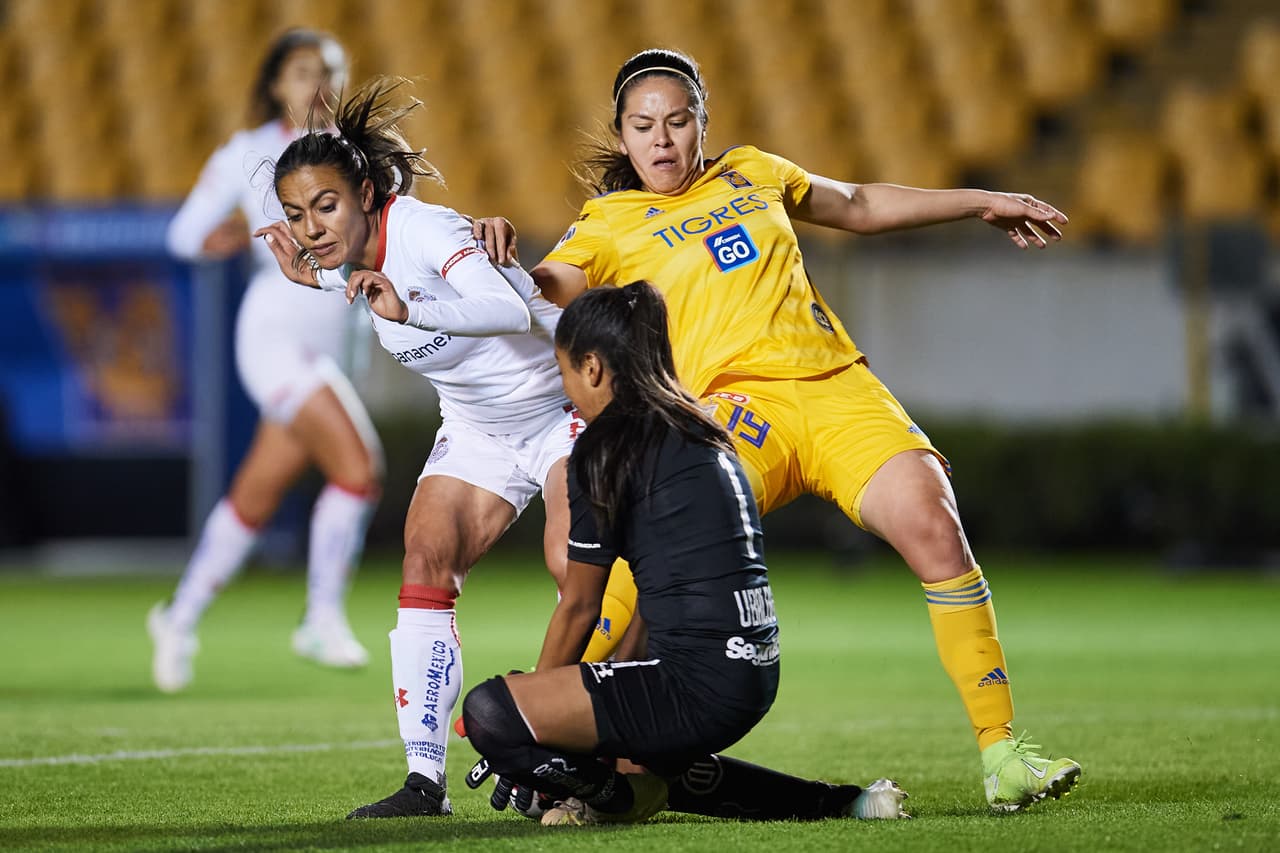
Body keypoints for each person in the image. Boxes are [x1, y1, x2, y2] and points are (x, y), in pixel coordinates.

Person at [509, 47, 1082, 813]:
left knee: (936, 526)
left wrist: (979, 199)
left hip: (839, 390)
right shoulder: (608, 222)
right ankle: (557, 750)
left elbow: (860, 204)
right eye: (644, 126)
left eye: (677, 121)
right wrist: (483, 259)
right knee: (637, 573)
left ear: (702, 122)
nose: (663, 139)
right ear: (621, 136)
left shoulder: (754, 170)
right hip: (735, 414)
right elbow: (546, 286)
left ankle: (1003, 754)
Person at [460, 280, 909, 826]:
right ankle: (840, 803)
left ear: (594, 368)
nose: (565, 386)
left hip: (694, 686)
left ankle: (618, 797)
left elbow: (580, 607)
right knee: (621, 732)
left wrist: (528, 714)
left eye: (564, 371)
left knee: (488, 711)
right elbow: (662, 592)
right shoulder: (704, 428)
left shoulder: (604, 450)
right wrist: (588, 689)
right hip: (751, 677)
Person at [252, 76, 579, 820]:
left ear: (366, 192)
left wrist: (411, 305)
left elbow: (501, 304)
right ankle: (423, 782)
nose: (312, 226)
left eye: (326, 206)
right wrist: (311, 278)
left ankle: (566, 744)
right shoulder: (338, 256)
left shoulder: (426, 230)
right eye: (297, 214)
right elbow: (357, 283)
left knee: (573, 563)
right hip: (476, 425)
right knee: (425, 555)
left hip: (564, 408)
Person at [149, 29, 382, 694]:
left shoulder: (356, 154)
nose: (320, 85)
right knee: (360, 470)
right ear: (277, 83)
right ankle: (321, 615)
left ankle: (178, 615)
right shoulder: (251, 152)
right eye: (305, 71)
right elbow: (183, 233)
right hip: (275, 336)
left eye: (331, 72)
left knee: (256, 493)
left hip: (337, 338)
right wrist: (216, 236)